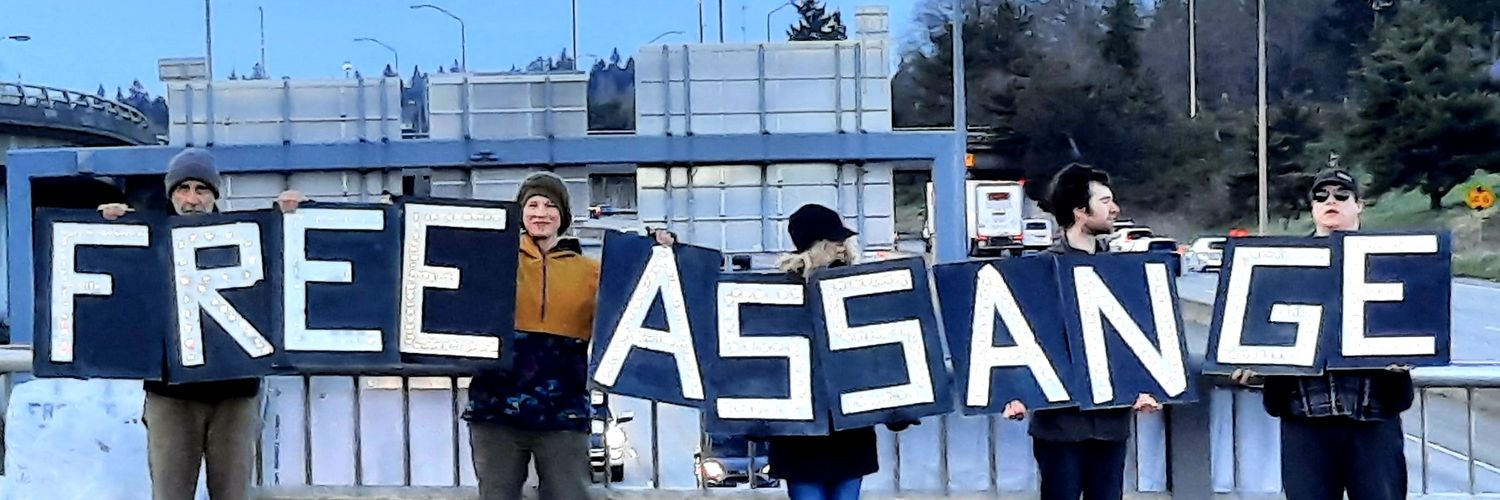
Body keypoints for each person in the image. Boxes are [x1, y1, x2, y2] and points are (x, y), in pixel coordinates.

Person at [98, 147, 302, 500]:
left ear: (215, 195)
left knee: (232, 494)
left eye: (201, 189)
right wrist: (108, 230)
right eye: (183, 189)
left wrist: (295, 215)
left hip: (235, 395)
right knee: (171, 494)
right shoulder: (146, 239)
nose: (192, 199)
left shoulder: (248, 237)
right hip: (169, 397)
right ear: (170, 193)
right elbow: (109, 288)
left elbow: (287, 264)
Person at [462, 171, 671, 500]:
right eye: (532, 204)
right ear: (520, 212)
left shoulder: (590, 272)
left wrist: (656, 250)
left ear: (563, 216)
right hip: (495, 411)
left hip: (564, 413)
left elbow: (632, 297)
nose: (540, 213)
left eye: (550, 206)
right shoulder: (494, 260)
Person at [1232, 169, 1413, 500]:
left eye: (1341, 195)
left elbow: (1416, 324)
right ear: (1312, 207)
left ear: (1359, 205)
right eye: (1321, 196)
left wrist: (1408, 355)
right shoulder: (1282, 264)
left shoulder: (1391, 261)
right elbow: (1263, 324)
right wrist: (1250, 357)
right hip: (1304, 416)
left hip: (1372, 413)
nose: (1331, 202)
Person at [1005, 163, 1163, 500]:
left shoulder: (1121, 270)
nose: (1115, 208)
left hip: (1110, 423)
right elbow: (1019, 335)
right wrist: (1012, 391)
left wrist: (1146, 386)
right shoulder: (1040, 270)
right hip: (1059, 424)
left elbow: (1137, 337)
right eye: (1105, 201)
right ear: (1080, 211)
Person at [762, 203, 916, 500]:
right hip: (807, 432)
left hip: (841, 431)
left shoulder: (854, 287)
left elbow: (878, 353)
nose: (842, 246)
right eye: (834, 240)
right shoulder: (784, 292)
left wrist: (898, 405)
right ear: (815, 244)